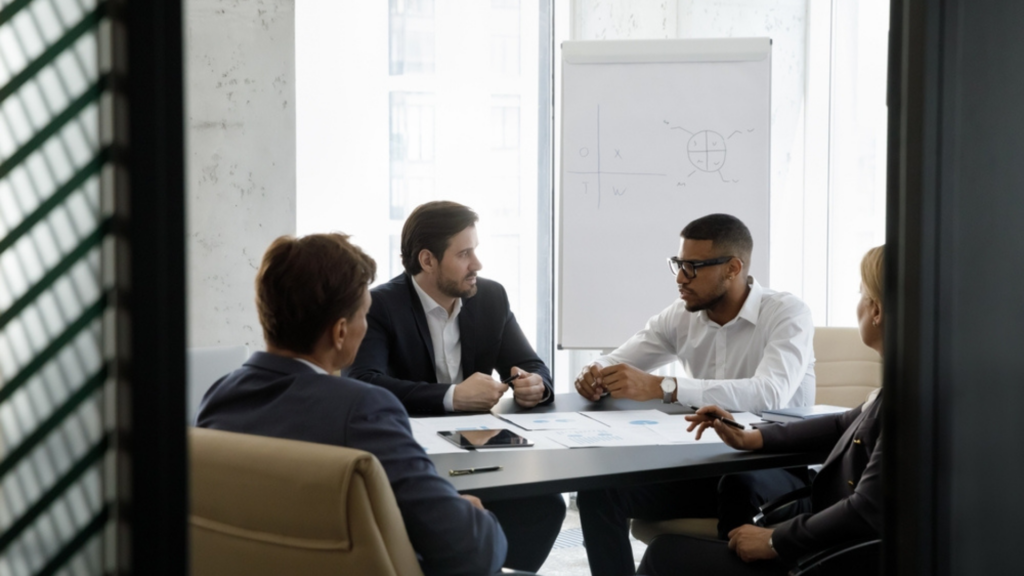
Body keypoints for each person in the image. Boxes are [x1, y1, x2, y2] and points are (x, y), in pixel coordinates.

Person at [195, 233, 507, 576]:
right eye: (365, 316)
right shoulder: (364, 411)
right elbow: (470, 551)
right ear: (340, 332)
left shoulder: (218, 398)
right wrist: (475, 516)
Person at [573, 213, 816, 576]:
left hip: (776, 465)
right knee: (599, 493)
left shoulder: (787, 313)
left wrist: (664, 387)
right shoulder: (682, 315)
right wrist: (592, 373)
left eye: (693, 267)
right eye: (678, 264)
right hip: (710, 464)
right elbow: (617, 359)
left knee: (738, 484)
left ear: (733, 268)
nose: (680, 278)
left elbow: (770, 391)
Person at [636, 244, 885, 576]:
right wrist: (753, 438)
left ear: (877, 311)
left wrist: (774, 540)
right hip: (823, 537)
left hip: (829, 558)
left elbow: (867, 509)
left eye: (861, 294)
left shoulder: (910, 403)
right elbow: (842, 424)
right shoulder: (903, 387)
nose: (682, 277)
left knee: (664, 554)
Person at [347, 200, 564, 572]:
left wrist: (535, 385)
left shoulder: (490, 297)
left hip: (479, 450)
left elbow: (532, 365)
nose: (476, 264)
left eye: (475, 251)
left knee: (546, 505)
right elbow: (363, 382)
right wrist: (452, 396)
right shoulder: (381, 305)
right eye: (464, 253)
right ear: (428, 260)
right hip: (412, 455)